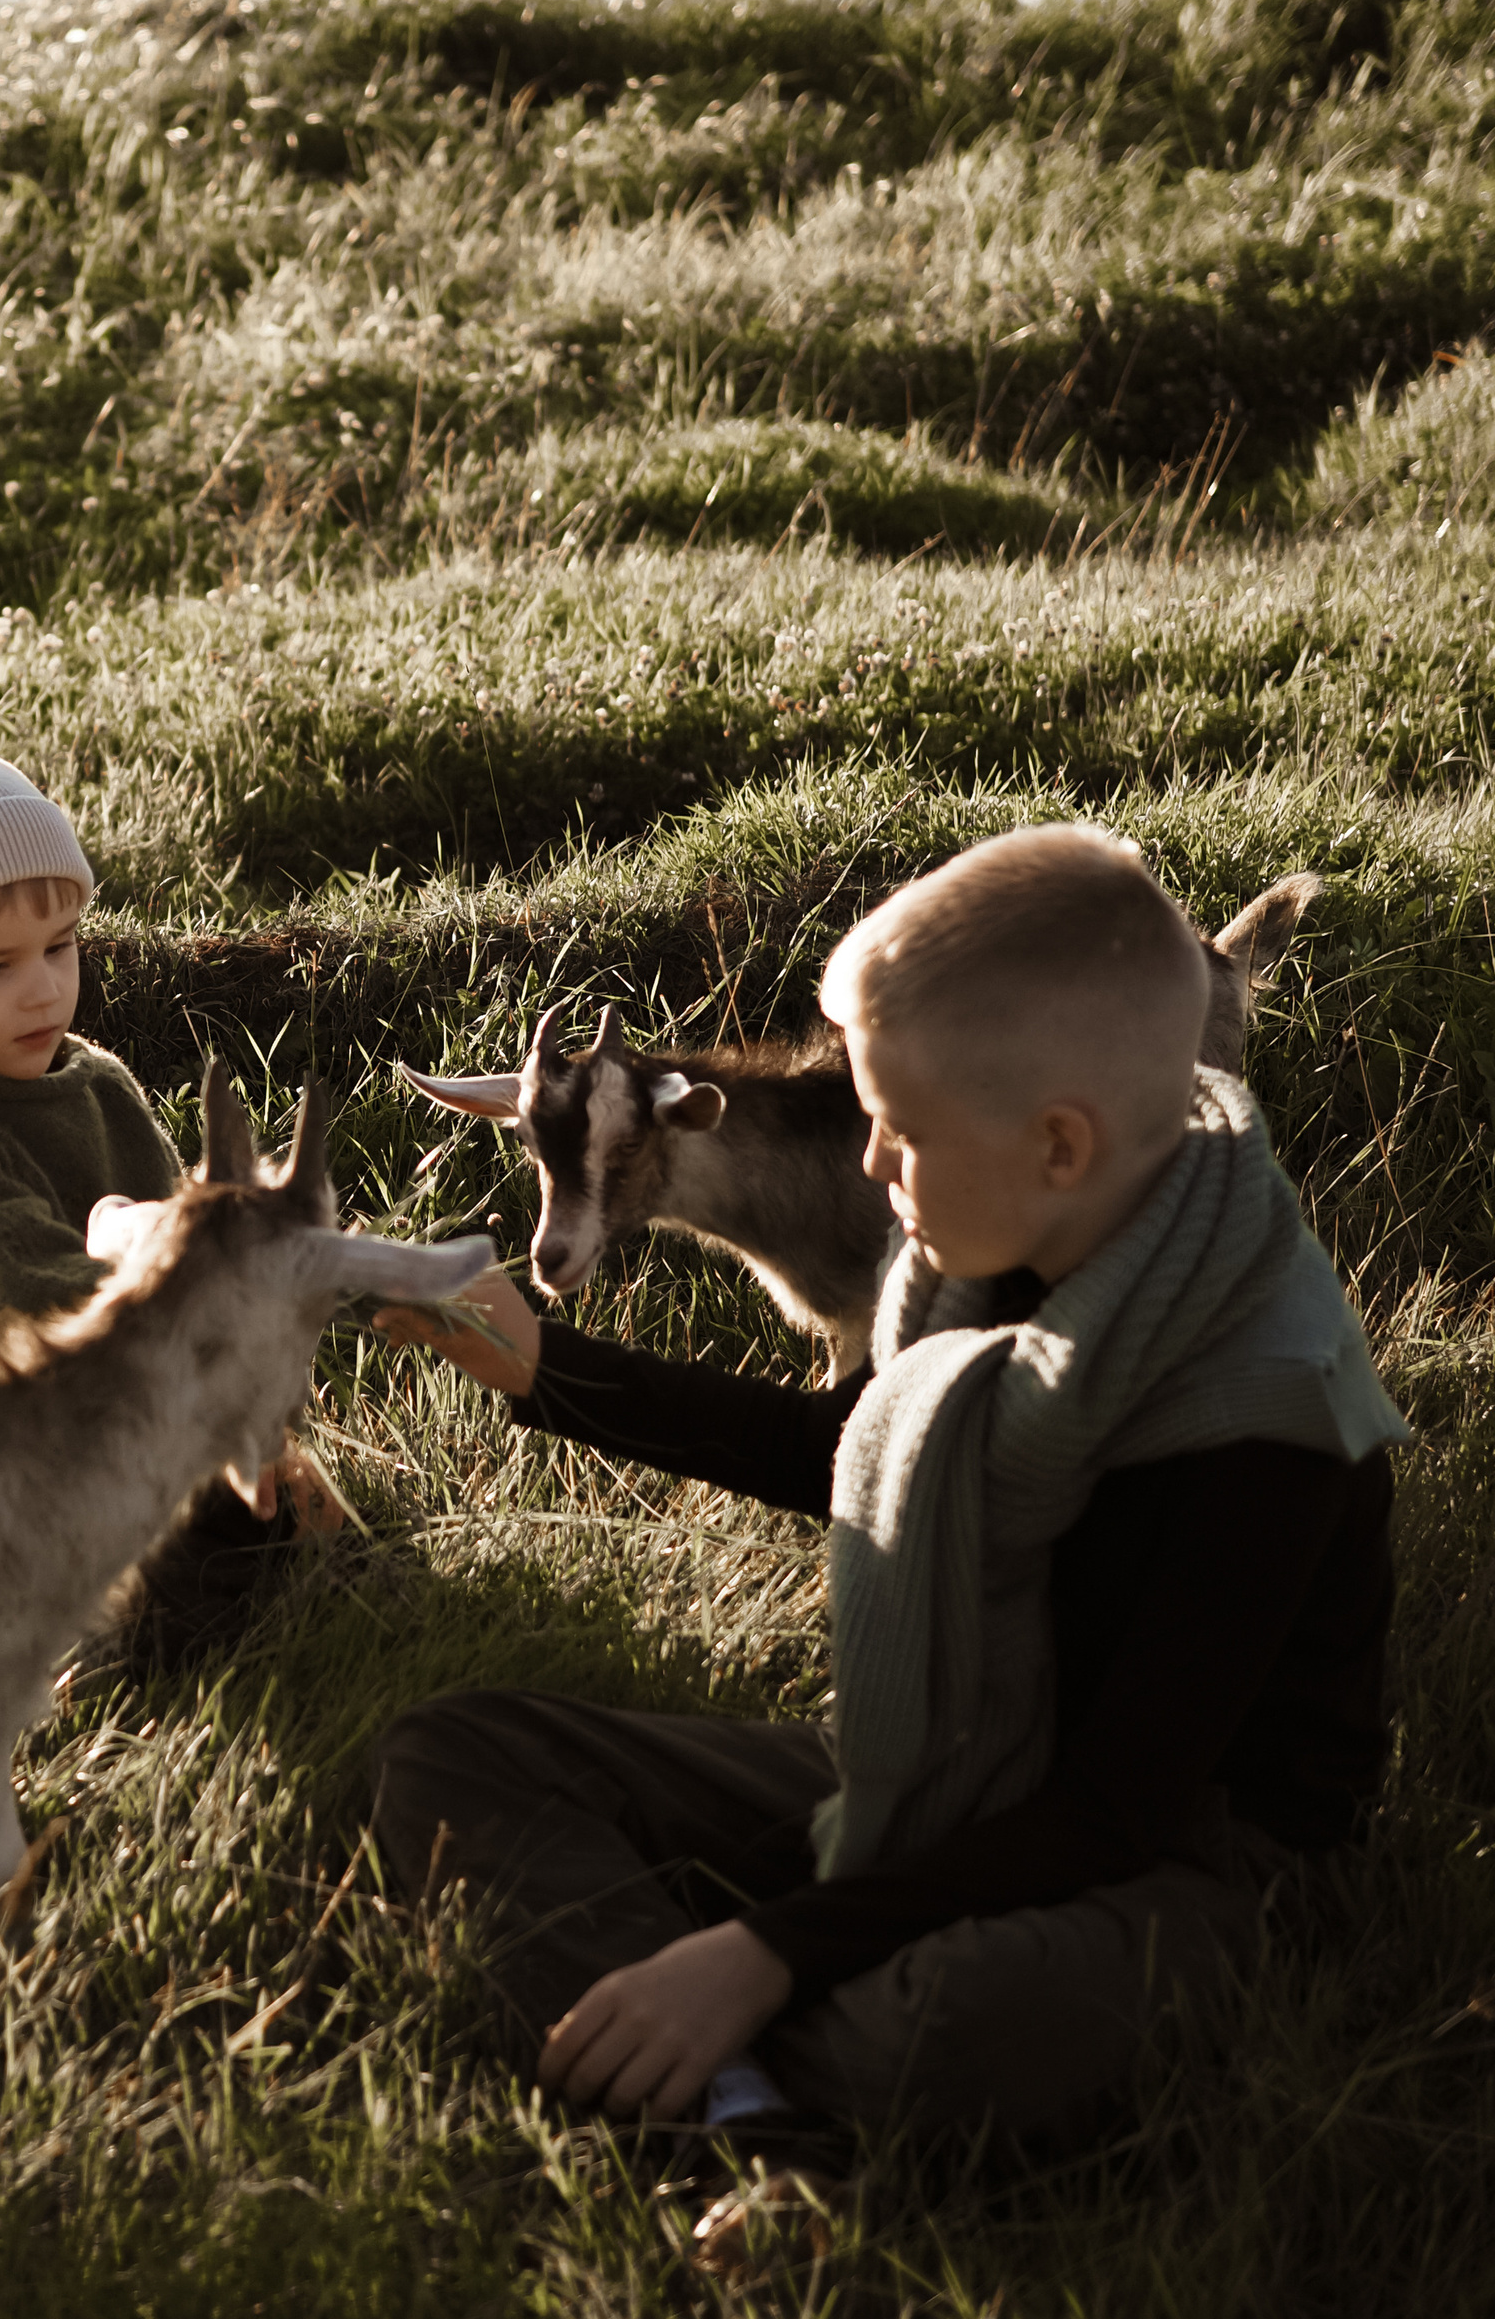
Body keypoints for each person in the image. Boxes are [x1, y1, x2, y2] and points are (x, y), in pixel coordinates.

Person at [369, 824, 1405, 2220]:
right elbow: (841, 1443)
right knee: (459, 1755)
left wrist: (764, 1952)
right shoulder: (987, 1266)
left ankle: (715, 2069)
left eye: (899, 1130)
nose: (868, 1165)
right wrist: (551, 1365)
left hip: (1191, 1859)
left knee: (950, 2023)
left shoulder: (1268, 1404)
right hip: (970, 1758)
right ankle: (754, 2101)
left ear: (1057, 1143)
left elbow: (1115, 1807)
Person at [0, 743, 335, 1647]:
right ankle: (103, 1646)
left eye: (61, 947)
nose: (44, 990)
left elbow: (176, 1236)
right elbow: (46, 1291)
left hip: (102, 1410)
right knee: (172, 1578)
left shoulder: (96, 1082)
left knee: (263, 1521)